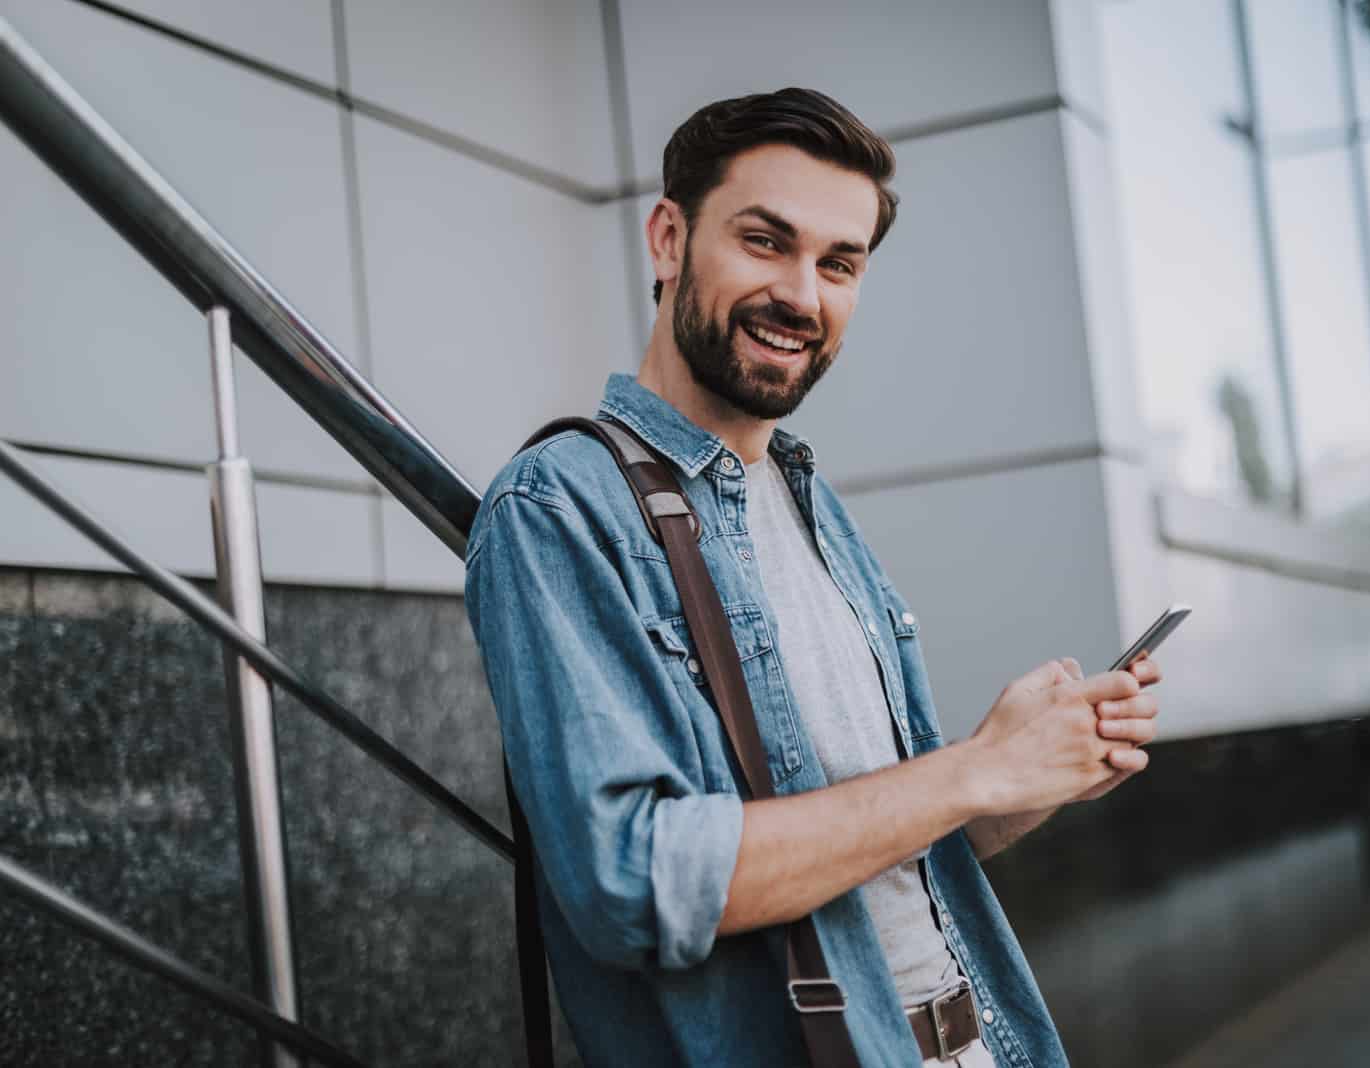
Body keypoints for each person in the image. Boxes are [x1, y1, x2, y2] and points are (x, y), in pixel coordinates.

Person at [465, 87, 1161, 1068]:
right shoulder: (557, 507)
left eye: (839, 263)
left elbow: (884, 843)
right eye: (765, 242)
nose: (803, 294)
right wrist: (969, 771)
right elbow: (633, 882)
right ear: (668, 239)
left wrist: (1023, 772)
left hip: (975, 1043)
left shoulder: (804, 497)